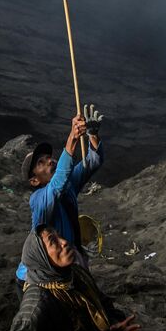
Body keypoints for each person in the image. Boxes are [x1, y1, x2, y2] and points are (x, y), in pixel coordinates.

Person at [7, 225, 140, 331]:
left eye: (59, 236)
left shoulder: (75, 273)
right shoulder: (36, 306)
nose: (64, 242)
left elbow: (102, 302)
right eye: (53, 241)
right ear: (41, 257)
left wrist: (114, 325)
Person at [16, 105, 104, 292]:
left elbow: (92, 163)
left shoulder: (69, 183)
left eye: (48, 157)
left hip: (63, 266)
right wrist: (72, 138)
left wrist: (93, 135)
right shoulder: (38, 200)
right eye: (41, 163)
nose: (49, 160)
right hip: (36, 279)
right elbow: (57, 185)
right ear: (34, 180)